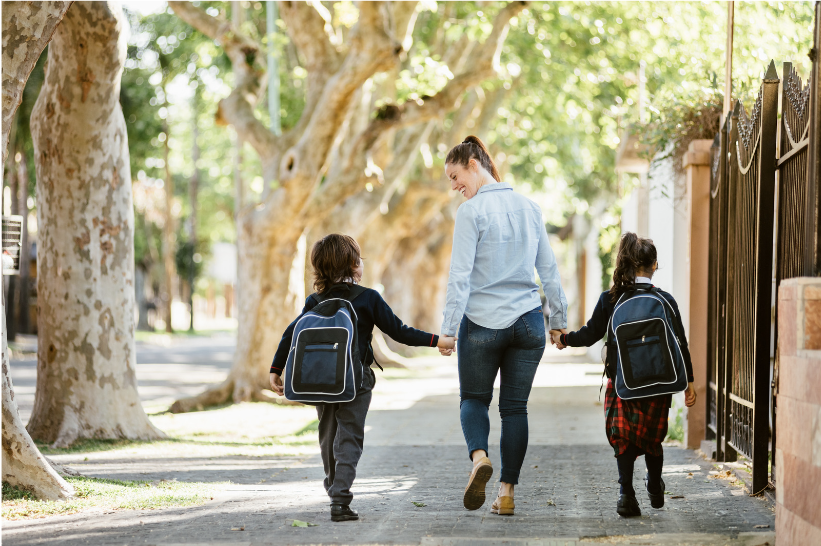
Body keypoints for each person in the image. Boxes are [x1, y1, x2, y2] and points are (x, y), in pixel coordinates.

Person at [270, 234, 456, 522]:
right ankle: (340, 500)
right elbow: (400, 331)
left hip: (322, 381)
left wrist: (275, 369)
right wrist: (438, 341)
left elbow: (290, 333)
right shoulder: (368, 298)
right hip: (356, 381)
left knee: (327, 435)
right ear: (354, 265)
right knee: (350, 437)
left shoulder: (315, 300)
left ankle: (334, 490)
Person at [439, 135, 568, 516]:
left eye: (456, 175)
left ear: (474, 163)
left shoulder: (471, 212)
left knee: (474, 400)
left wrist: (448, 329)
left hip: (481, 324)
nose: (454, 185)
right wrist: (558, 321)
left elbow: (459, 276)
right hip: (528, 321)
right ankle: (506, 492)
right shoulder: (530, 207)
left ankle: (479, 458)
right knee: (515, 410)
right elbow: (549, 270)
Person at [552, 232, 697, 517]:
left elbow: (591, 334)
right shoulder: (665, 300)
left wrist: (564, 339)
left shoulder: (612, 298)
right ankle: (655, 486)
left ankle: (626, 494)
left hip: (623, 383)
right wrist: (689, 383)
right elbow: (681, 343)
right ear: (654, 265)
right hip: (659, 384)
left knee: (624, 438)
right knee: (653, 438)